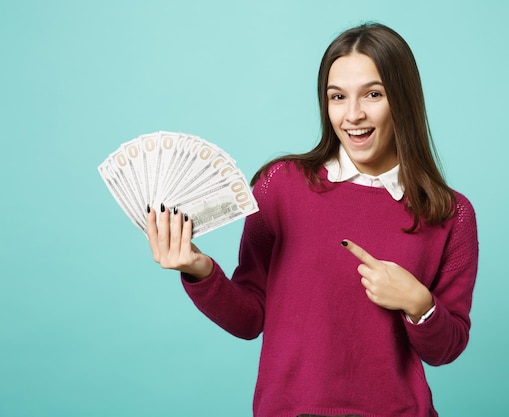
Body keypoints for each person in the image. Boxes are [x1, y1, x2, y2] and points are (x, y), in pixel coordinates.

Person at [146, 22, 478, 417]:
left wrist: (418, 303)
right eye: (337, 97)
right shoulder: (280, 186)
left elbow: (447, 348)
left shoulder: (450, 213)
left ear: (402, 100)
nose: (353, 115)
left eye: (373, 94)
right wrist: (199, 270)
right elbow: (251, 318)